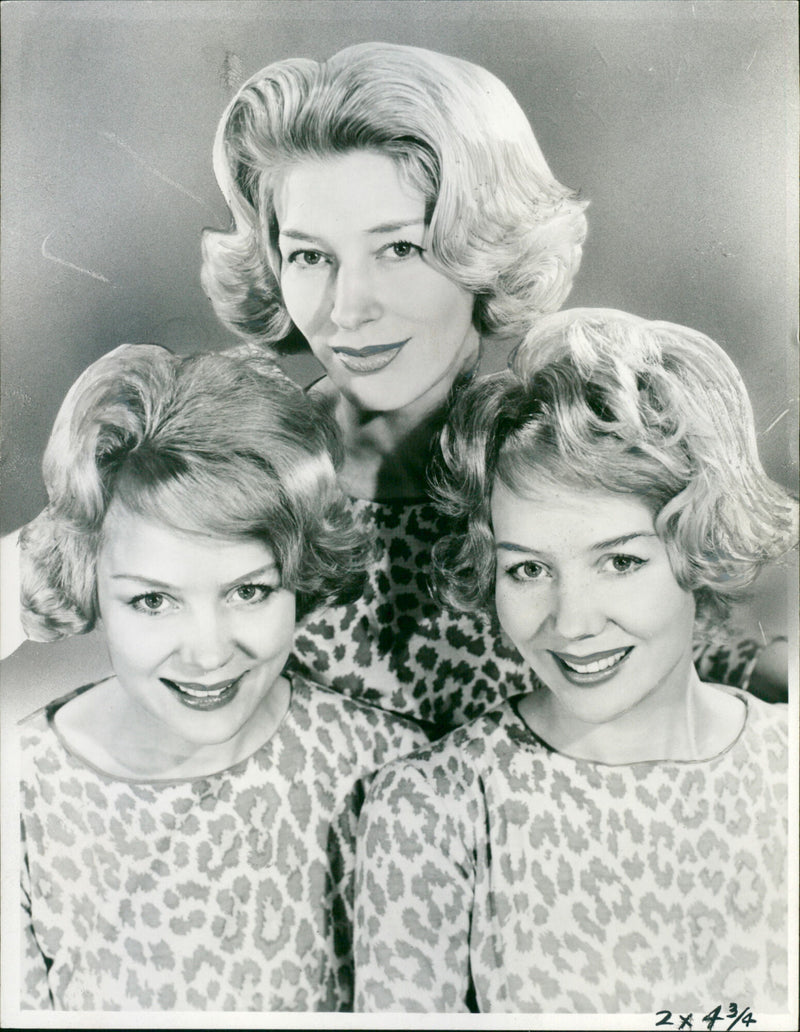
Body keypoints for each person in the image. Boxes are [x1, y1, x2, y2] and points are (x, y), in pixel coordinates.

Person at [201, 41, 785, 732]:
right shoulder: (232, 473)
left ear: (485, 247)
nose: (348, 307)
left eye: (400, 249)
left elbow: (700, 648)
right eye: (309, 255)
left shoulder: (553, 451)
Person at [354, 308, 795, 1013]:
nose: (572, 622)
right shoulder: (434, 811)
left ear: (699, 541)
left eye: (619, 561)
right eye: (528, 570)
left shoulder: (787, 775)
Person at [18, 344, 426, 1011]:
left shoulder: (392, 774)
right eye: (153, 600)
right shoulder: (23, 792)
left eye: (249, 592)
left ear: (300, 575)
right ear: (88, 582)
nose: (208, 655)